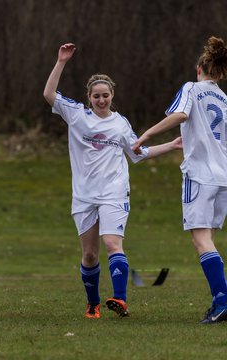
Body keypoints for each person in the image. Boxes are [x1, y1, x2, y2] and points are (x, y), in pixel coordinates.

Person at [43, 43, 182, 319]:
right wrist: (61, 62)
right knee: (90, 256)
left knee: (112, 244)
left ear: (112, 95)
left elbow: (138, 154)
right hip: (84, 195)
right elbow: (48, 94)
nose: (101, 100)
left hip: (114, 192)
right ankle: (92, 304)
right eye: (96, 96)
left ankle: (120, 299)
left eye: (105, 95)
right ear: (89, 97)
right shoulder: (76, 114)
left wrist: (172, 145)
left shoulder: (120, 124)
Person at [133, 36, 227, 324]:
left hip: (200, 175)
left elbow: (181, 114)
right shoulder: (224, 99)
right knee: (208, 238)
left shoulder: (192, 88)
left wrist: (147, 134)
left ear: (199, 69)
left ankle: (222, 301)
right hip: (224, 176)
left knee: (200, 240)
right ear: (220, 73)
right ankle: (219, 301)